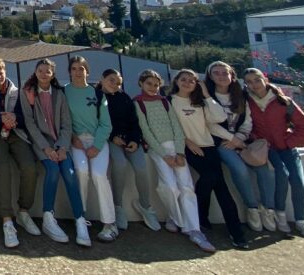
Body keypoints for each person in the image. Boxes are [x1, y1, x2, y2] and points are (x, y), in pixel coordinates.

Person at [134, 69, 212, 252]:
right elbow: (146, 131)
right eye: (149, 84)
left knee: (186, 187)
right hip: (157, 150)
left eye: (156, 84)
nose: (153, 88)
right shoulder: (138, 103)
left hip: (177, 149)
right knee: (169, 186)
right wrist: (164, 154)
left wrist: (179, 152)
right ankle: (176, 218)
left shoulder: (164, 101)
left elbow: (176, 127)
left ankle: (194, 229)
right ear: (141, 84)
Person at [170, 68, 248, 249]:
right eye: (183, 79)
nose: (187, 83)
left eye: (192, 80)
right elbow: (173, 127)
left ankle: (236, 234)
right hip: (190, 149)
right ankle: (201, 217)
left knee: (222, 190)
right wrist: (188, 142)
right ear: (176, 81)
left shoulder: (200, 102)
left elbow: (217, 120)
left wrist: (206, 95)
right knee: (211, 178)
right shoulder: (170, 101)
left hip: (209, 147)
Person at [19, 58, 91, 246]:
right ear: (35, 72)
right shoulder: (28, 93)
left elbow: (66, 124)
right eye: (40, 71)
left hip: (60, 143)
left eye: (48, 71)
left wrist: (62, 147)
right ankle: (48, 217)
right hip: (40, 143)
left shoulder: (59, 94)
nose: (44, 74)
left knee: (69, 172)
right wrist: (47, 148)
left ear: (53, 74)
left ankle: (80, 220)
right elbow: (30, 123)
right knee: (52, 170)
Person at [243, 67, 304, 239]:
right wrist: (257, 140)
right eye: (249, 81)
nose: (254, 84)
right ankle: (280, 215)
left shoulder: (283, 101)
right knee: (281, 176)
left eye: (257, 79)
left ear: (265, 80)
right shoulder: (247, 103)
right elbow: (246, 127)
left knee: (298, 181)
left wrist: (288, 142)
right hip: (267, 149)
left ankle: (301, 221)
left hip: (287, 148)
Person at [205, 61, 275, 232]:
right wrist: (232, 139)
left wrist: (240, 137)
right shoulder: (207, 97)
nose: (221, 76)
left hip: (242, 140)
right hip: (221, 143)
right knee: (239, 169)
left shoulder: (241, 95)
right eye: (216, 73)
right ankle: (251, 208)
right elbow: (209, 123)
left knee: (264, 169)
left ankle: (268, 209)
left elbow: (247, 121)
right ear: (210, 76)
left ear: (232, 75)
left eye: (225, 72)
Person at [0, 56, 42, 248]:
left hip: (16, 134)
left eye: (1, 72)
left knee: (30, 167)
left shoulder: (16, 91)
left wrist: (14, 117)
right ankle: (7, 220)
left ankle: (23, 211)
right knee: (4, 170)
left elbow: (27, 116)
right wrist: (2, 118)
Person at [97, 68, 160, 232]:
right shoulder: (95, 96)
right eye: (111, 80)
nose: (115, 85)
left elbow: (134, 121)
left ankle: (145, 206)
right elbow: (96, 122)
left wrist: (134, 140)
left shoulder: (124, 98)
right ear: (102, 79)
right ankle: (117, 206)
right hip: (110, 139)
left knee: (141, 167)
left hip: (129, 139)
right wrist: (112, 137)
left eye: (118, 83)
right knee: (120, 163)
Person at [65, 56, 118, 243]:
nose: (78, 72)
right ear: (69, 71)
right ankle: (81, 217)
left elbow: (106, 124)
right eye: (74, 68)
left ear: (87, 71)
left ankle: (110, 223)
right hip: (75, 141)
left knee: (98, 175)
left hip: (97, 141)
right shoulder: (64, 93)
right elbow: (62, 121)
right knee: (80, 171)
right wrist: (72, 138)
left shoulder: (98, 94)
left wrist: (96, 146)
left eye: (81, 68)